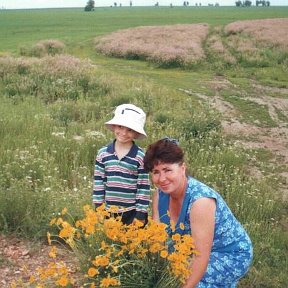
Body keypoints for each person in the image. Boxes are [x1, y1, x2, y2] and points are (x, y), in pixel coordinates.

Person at [143, 138, 253, 288]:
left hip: (229, 253)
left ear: (182, 168)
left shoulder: (200, 202)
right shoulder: (159, 195)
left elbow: (200, 257)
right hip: (190, 249)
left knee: (180, 279)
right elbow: (157, 238)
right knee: (165, 274)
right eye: (156, 172)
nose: (162, 179)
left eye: (168, 170)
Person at [93, 104, 150, 225]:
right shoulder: (103, 153)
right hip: (108, 212)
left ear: (136, 133)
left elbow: (143, 187)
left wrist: (140, 214)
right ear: (114, 126)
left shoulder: (140, 156)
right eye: (120, 127)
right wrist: (98, 207)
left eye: (130, 130)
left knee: (131, 242)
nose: (124, 133)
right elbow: (99, 182)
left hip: (131, 212)